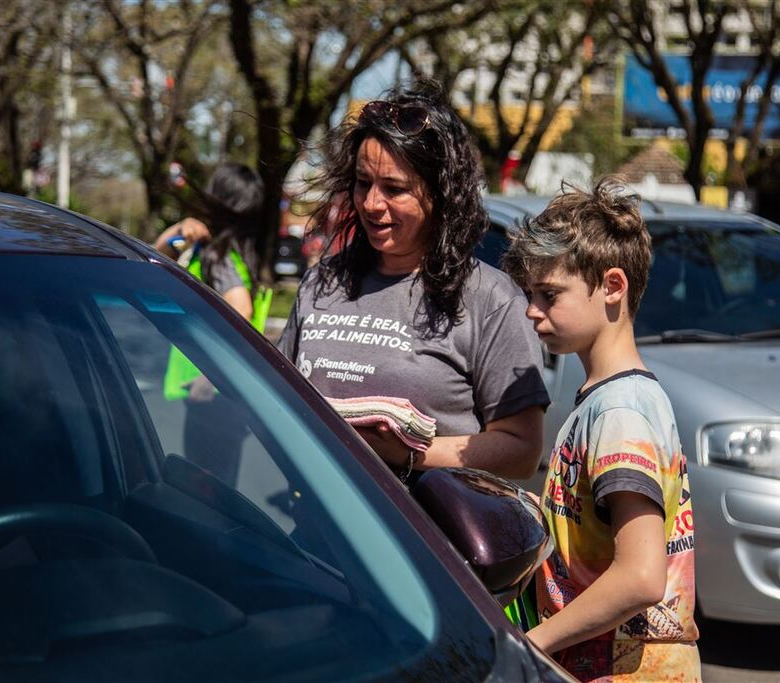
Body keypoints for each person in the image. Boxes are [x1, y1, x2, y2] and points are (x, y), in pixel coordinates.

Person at [277, 81, 549, 480]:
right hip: (311, 515)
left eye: (395, 189)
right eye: (363, 183)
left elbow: (522, 451)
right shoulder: (322, 282)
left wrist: (405, 453)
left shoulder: (490, 299)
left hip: (420, 521)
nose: (372, 203)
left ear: (440, 194)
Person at [502, 179, 700, 682]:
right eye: (530, 294)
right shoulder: (610, 401)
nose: (531, 309)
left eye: (549, 294)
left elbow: (641, 577)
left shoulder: (619, 413)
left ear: (613, 286)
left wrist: (532, 643)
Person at [154, 161, 266, 481]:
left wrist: (209, 377)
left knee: (203, 487)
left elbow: (241, 309)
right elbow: (160, 253)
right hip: (229, 397)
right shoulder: (235, 253)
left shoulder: (218, 257)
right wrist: (180, 230)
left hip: (211, 398)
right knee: (219, 485)